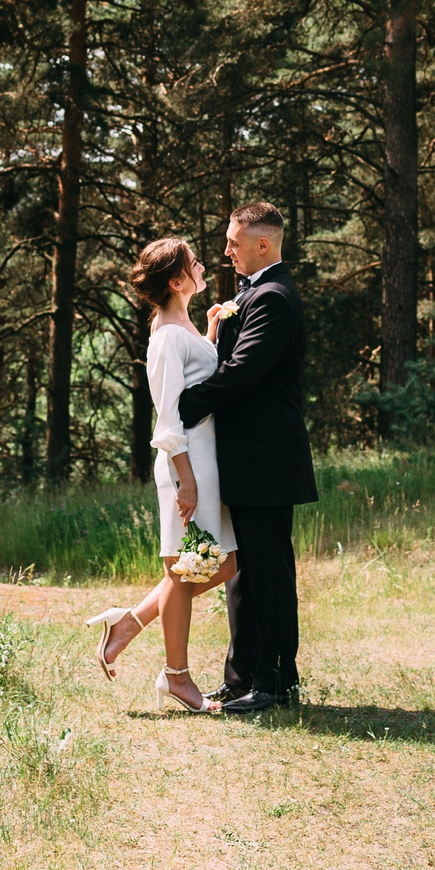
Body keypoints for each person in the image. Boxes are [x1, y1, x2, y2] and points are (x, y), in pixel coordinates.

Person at [83, 237, 239, 712]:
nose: (203, 264)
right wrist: (186, 479)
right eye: (194, 263)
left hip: (203, 462)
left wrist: (210, 333)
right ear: (176, 281)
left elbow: (196, 380)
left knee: (220, 564)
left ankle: (129, 623)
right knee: (190, 567)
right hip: (185, 464)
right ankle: (177, 676)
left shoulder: (182, 326)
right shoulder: (167, 336)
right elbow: (168, 417)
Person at [178, 202, 317, 714]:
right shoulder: (251, 294)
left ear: (264, 244)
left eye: (234, 242)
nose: (226, 250)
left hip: (268, 458)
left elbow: (241, 373)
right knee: (242, 574)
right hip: (243, 458)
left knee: (269, 574)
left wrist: (182, 405)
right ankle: (241, 679)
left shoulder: (275, 298)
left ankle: (277, 682)